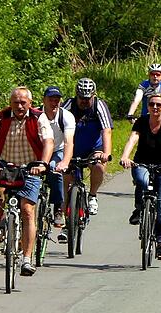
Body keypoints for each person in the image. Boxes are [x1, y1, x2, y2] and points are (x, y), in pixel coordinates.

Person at [0, 86, 54, 277]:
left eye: (23, 102)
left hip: (31, 167)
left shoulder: (39, 117)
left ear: (30, 103)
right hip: (4, 166)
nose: (20, 106)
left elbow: (48, 141)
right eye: (16, 102)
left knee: (27, 210)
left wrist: (43, 164)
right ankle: (1, 223)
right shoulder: (0, 117)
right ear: (10, 103)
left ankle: (27, 259)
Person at [119, 93, 161, 260]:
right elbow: (132, 139)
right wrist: (125, 156)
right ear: (147, 106)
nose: (155, 107)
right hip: (142, 163)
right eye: (151, 104)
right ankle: (139, 207)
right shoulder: (142, 121)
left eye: (158, 105)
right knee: (141, 180)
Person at [61, 78, 113, 222]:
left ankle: (93, 196)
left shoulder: (99, 105)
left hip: (93, 148)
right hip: (72, 148)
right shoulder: (69, 105)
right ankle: (67, 223)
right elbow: (57, 125)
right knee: (66, 181)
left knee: (98, 166)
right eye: (81, 98)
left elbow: (106, 130)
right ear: (76, 95)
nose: (84, 101)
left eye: (87, 98)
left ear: (93, 95)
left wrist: (106, 153)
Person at [39, 86, 75, 230]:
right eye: (50, 100)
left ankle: (59, 208)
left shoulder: (66, 116)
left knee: (55, 169)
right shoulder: (36, 114)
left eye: (57, 100)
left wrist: (65, 162)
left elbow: (68, 142)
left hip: (57, 151)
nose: (54, 103)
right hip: (38, 151)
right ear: (44, 100)